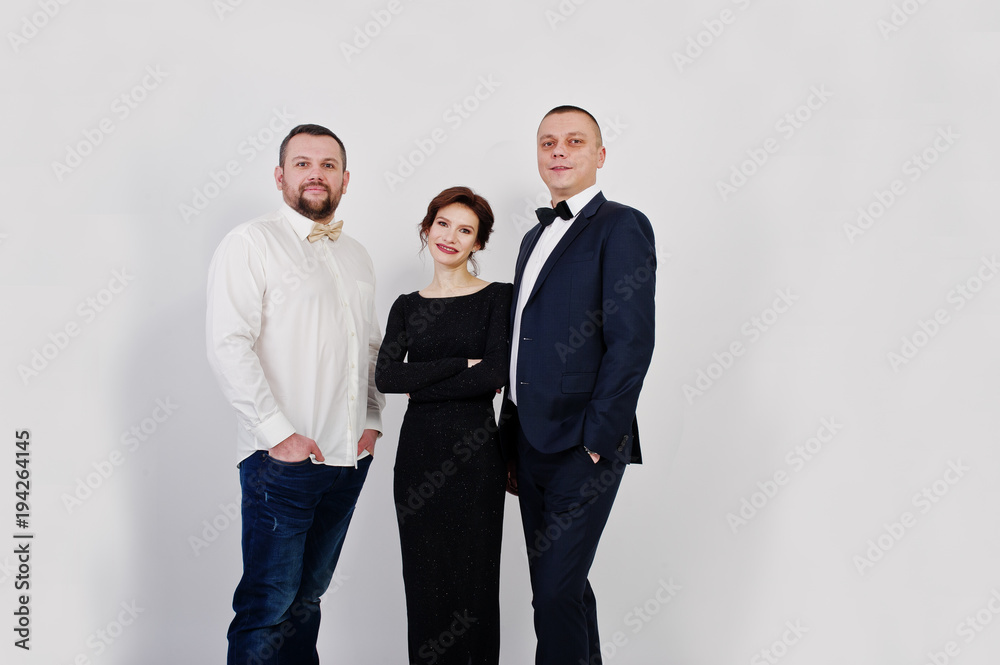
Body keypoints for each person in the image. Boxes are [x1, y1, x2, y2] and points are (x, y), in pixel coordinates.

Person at [206, 123, 384, 665]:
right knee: (268, 604)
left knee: (308, 600)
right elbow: (227, 344)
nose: (315, 173)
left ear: (345, 179)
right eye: (302, 163)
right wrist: (279, 435)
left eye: (328, 164)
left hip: (347, 458)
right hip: (280, 461)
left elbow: (369, 349)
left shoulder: (356, 255)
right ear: (280, 176)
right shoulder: (250, 243)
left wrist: (371, 421)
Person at [500, 106, 656, 665]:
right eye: (547, 142)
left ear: (600, 155)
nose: (559, 151)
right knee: (562, 587)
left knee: (555, 592)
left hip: (582, 444)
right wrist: (509, 438)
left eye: (573, 141)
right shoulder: (531, 237)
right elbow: (526, 342)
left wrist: (598, 436)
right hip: (528, 444)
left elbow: (632, 341)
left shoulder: (622, 225)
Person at [375, 186, 511, 665]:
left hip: (476, 457)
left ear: (479, 243)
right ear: (427, 229)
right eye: (443, 224)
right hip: (417, 458)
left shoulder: (499, 298)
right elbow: (387, 376)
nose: (451, 237)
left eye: (466, 230)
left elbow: (495, 374)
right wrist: (462, 364)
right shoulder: (406, 306)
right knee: (425, 584)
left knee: (474, 585)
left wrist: (426, 384)